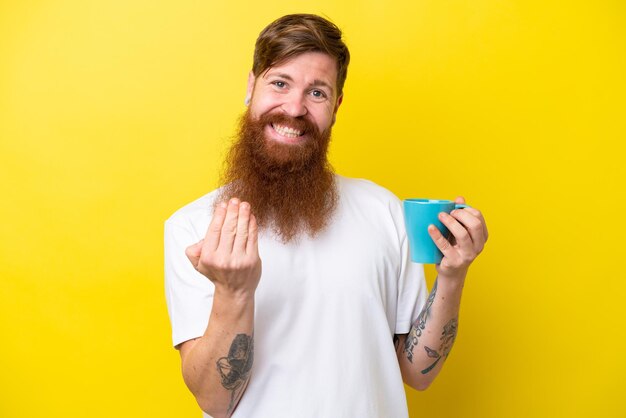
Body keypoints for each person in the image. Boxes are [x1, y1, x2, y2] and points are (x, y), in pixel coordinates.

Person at [164, 13, 488, 418]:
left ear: (335, 107)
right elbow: (215, 400)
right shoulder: (192, 227)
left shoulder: (382, 209)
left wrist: (453, 275)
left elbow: (417, 371)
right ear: (251, 86)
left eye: (316, 93)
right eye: (280, 83)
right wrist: (234, 292)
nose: (295, 108)